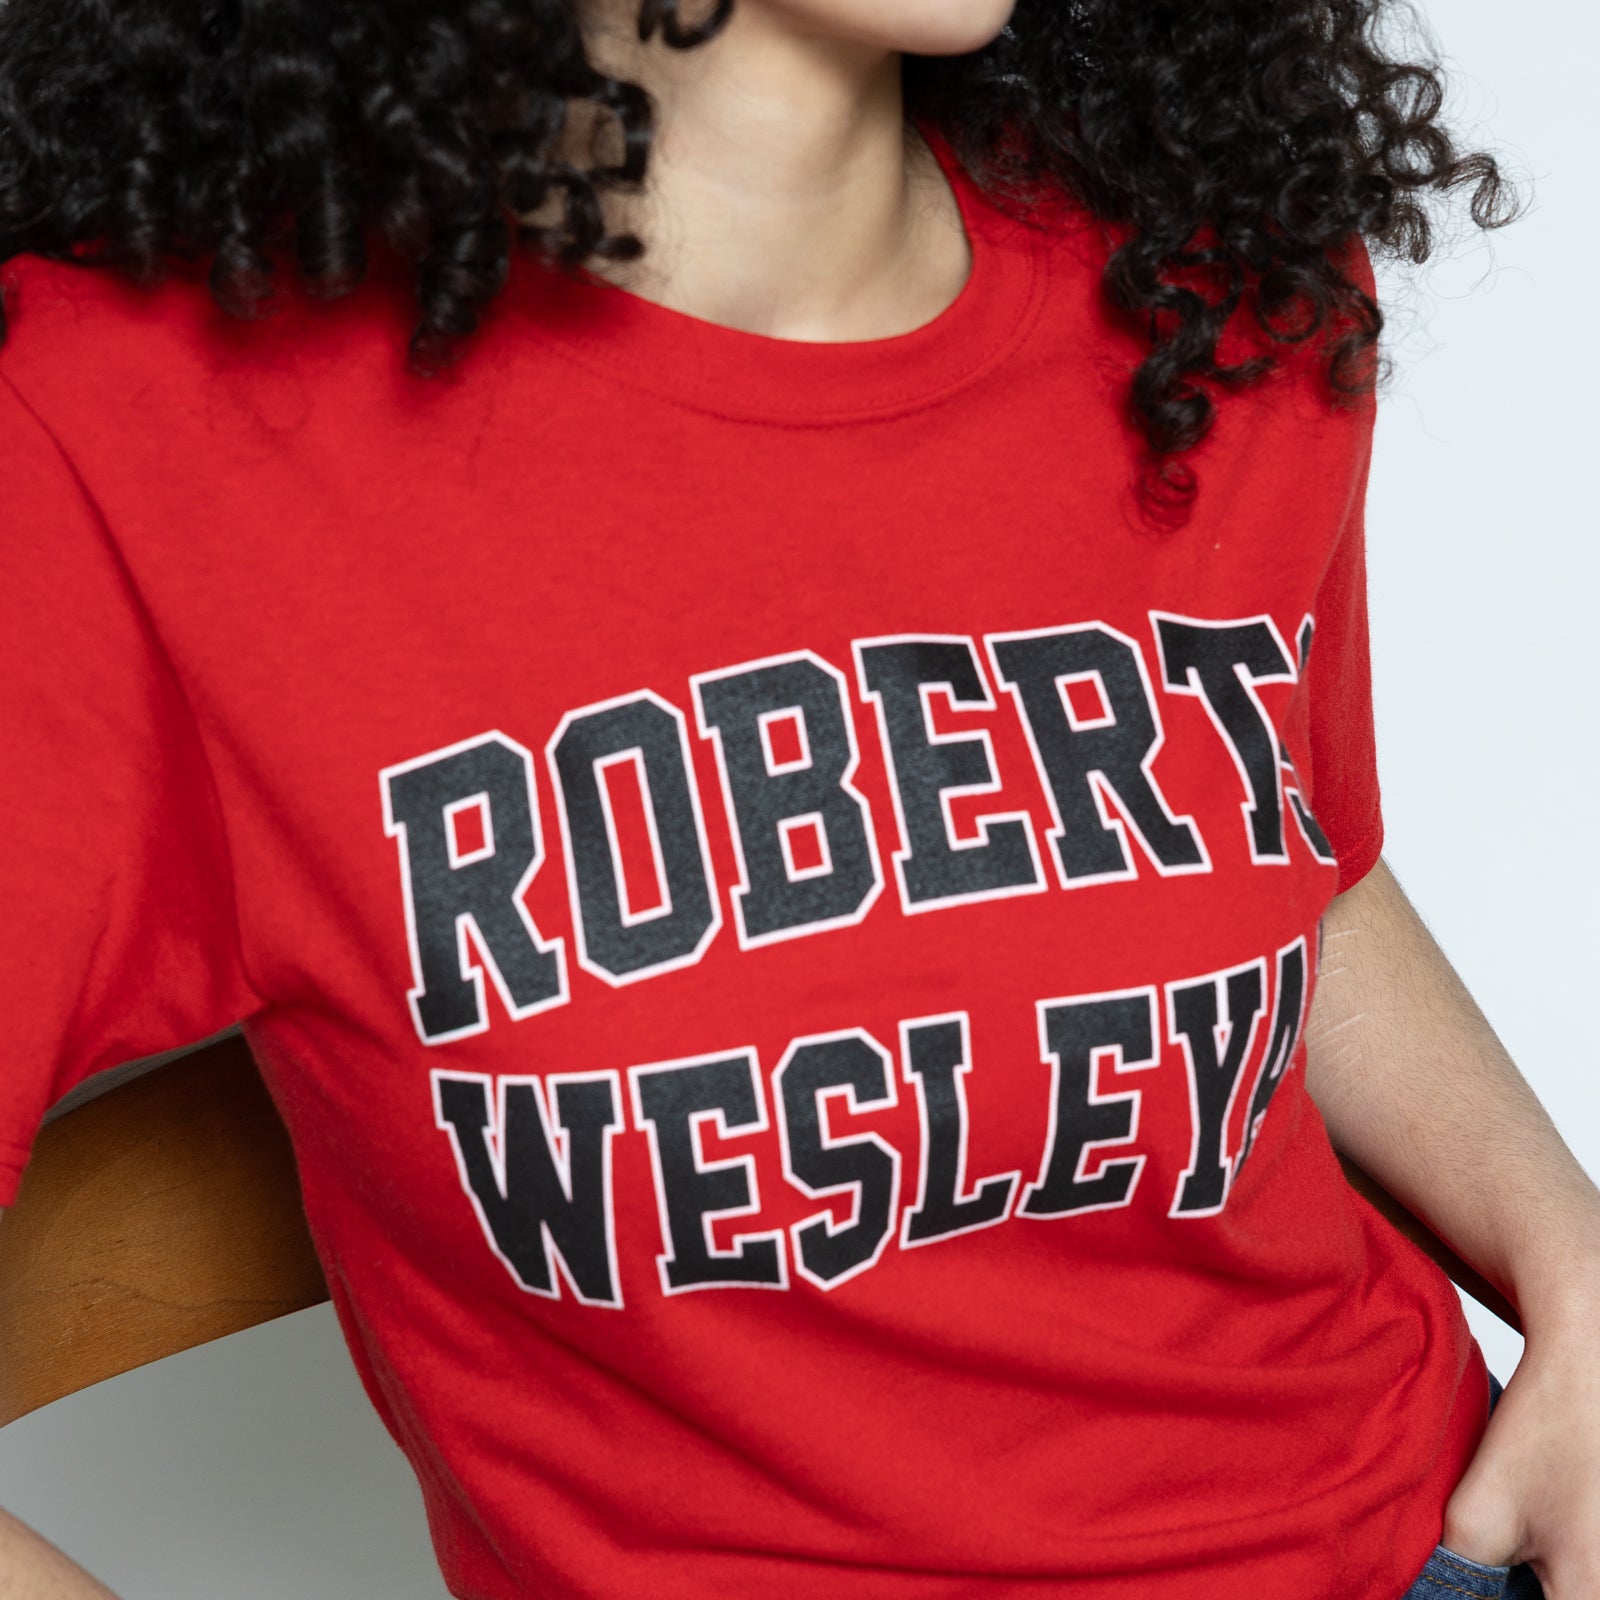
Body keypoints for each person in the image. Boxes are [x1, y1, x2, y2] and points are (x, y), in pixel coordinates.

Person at [0, 0, 1593, 1597]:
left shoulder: (1205, 275)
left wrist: (1576, 1268)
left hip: (1423, 1542)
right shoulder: (132, 436)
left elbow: (1272, 864)